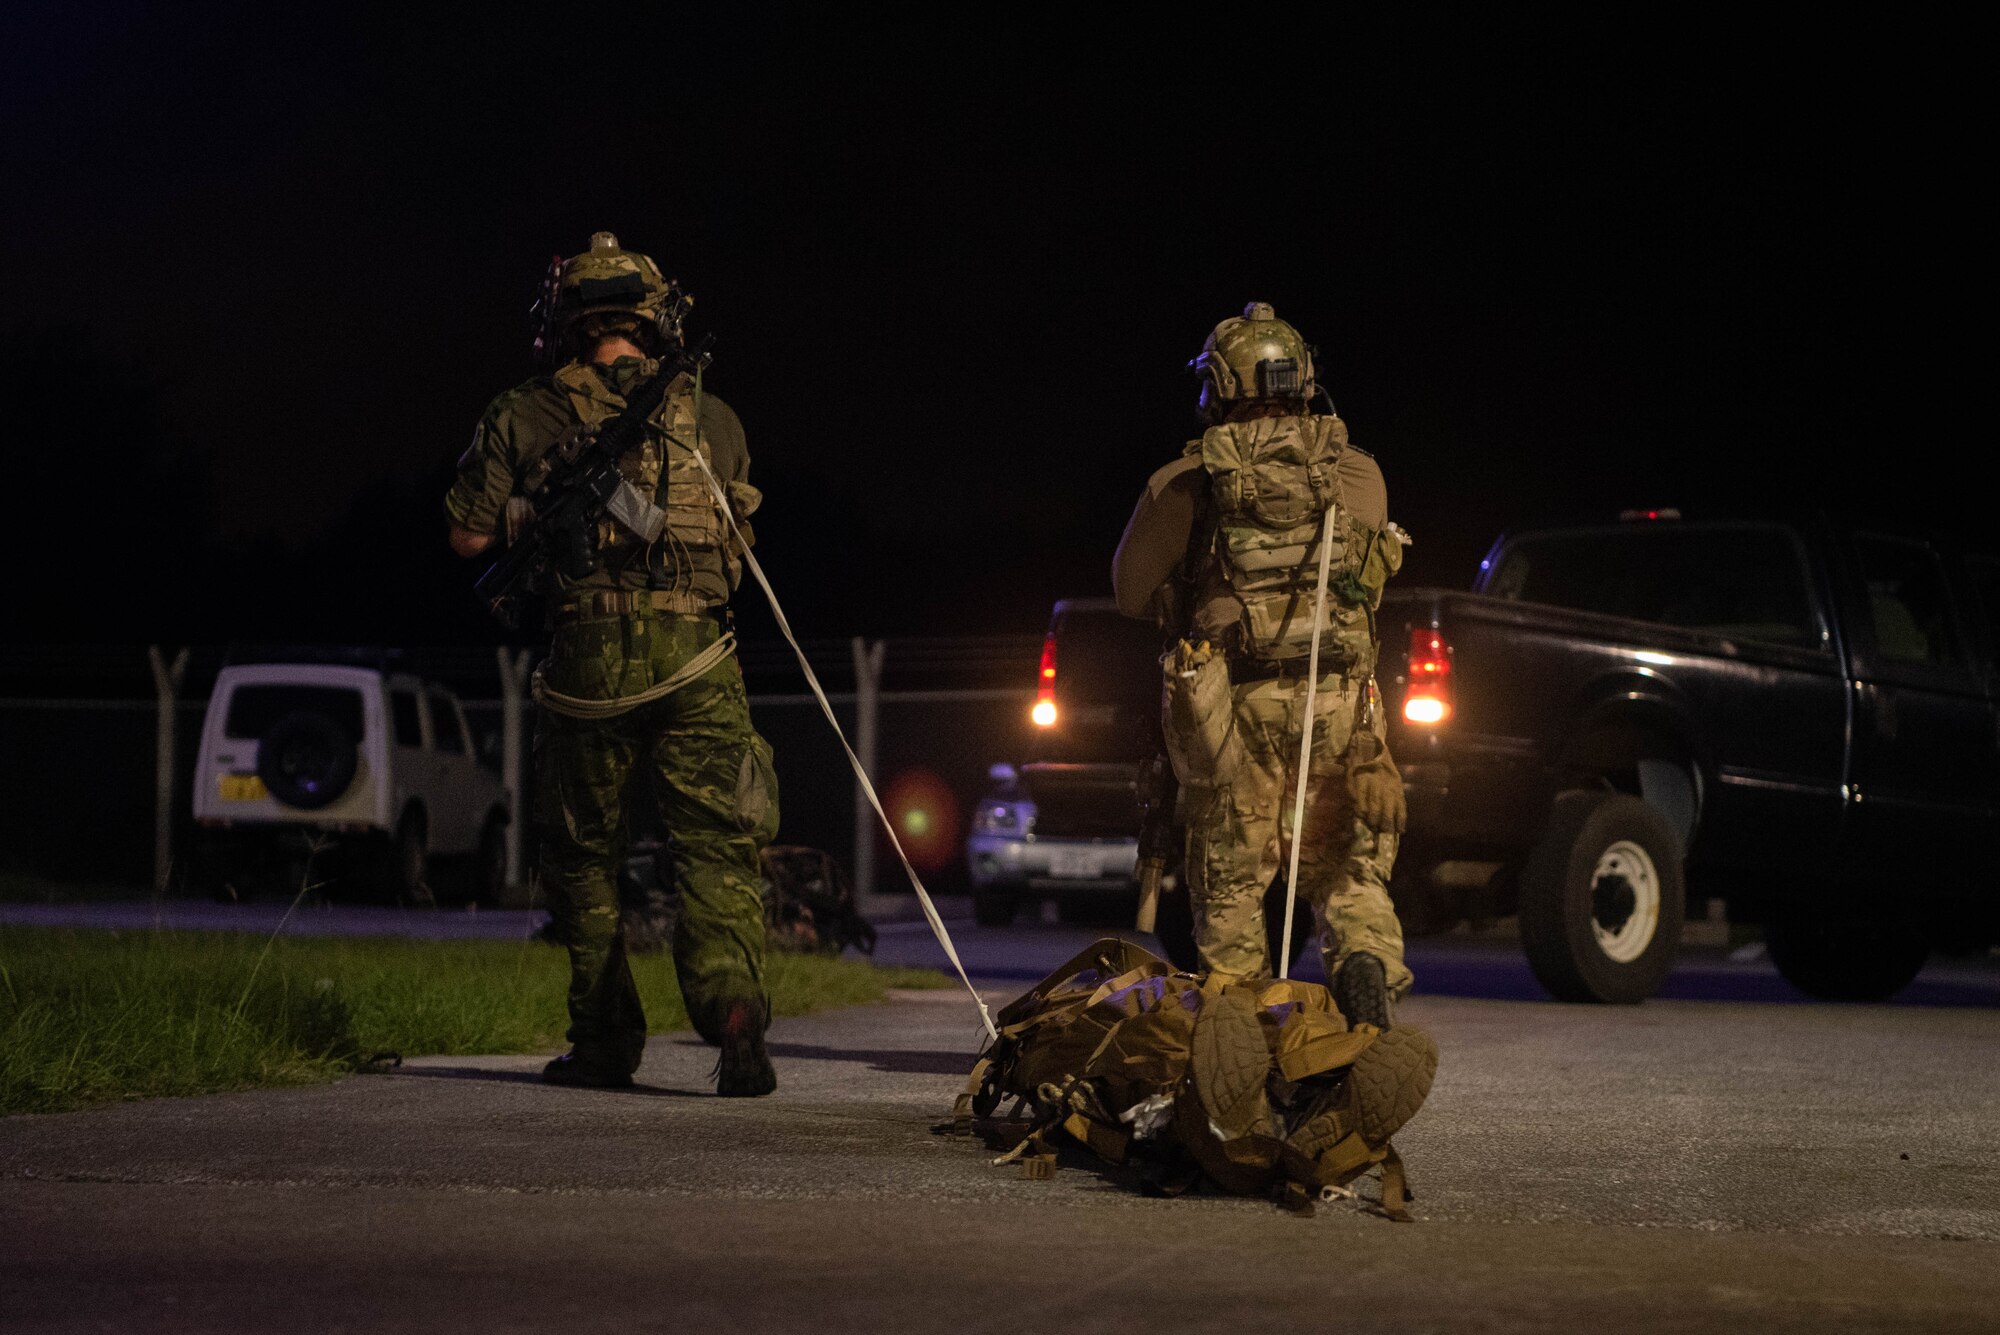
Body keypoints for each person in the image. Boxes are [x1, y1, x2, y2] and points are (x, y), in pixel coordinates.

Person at [445, 232, 780, 1095]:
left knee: (584, 859)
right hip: (699, 659)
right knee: (716, 847)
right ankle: (736, 1016)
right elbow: (737, 543)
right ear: (652, 316)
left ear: (567, 321)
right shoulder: (715, 416)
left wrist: (532, 511)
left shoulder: (523, 411)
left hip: (587, 666)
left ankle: (602, 1043)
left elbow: (467, 534)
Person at [1112, 303, 1411, 1028]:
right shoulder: (1358, 472)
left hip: (1236, 712)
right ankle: (1364, 982)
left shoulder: (1187, 482)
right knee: (1348, 875)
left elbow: (1127, 591)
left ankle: (1238, 1037)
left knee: (1232, 888)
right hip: (1339, 706)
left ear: (1219, 386)